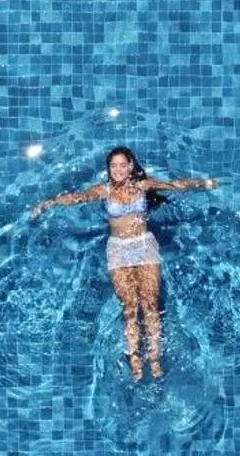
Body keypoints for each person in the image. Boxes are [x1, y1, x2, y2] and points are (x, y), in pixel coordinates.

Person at [32, 147, 218, 381]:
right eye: (113, 166)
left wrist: (204, 183)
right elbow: (76, 197)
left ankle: (155, 358)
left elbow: (175, 185)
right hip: (118, 250)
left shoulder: (142, 186)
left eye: (122, 165)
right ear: (109, 169)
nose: (118, 170)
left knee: (150, 303)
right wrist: (48, 203)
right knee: (130, 306)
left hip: (144, 245)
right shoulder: (104, 190)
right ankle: (135, 359)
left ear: (131, 166)